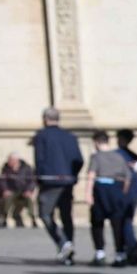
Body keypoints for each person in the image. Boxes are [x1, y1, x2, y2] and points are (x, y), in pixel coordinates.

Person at [32, 107, 83, 264]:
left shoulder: (41, 136)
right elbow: (79, 160)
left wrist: (40, 178)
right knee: (66, 216)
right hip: (67, 181)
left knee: (45, 213)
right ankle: (69, 251)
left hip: (50, 182)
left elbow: (39, 160)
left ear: (45, 118)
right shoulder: (70, 136)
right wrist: (73, 175)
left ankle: (63, 243)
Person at [84, 130, 133, 266]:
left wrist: (87, 194)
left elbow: (91, 175)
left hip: (101, 189)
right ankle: (120, 254)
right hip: (116, 189)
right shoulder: (119, 156)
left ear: (96, 142)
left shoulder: (96, 157)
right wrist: (123, 192)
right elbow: (128, 177)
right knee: (118, 224)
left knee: (97, 223)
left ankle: (100, 252)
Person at [115, 127, 137, 265]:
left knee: (123, 222)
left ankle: (132, 246)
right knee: (126, 221)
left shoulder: (117, 155)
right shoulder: (135, 155)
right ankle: (132, 245)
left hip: (122, 192)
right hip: (134, 192)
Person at [0, 153, 36, 228]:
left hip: (24, 190)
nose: (9, 161)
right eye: (9, 160)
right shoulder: (6, 168)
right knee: (7, 199)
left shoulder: (26, 168)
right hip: (12, 190)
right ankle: (4, 219)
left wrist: (29, 190)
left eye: (11, 160)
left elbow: (31, 181)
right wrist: (5, 190)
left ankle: (33, 218)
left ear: (17, 160)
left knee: (29, 200)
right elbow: (2, 181)